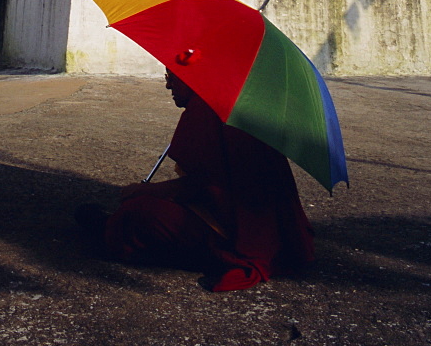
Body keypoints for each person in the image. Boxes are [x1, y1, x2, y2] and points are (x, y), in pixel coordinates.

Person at [76, 72, 314, 291]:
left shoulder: (205, 110)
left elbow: (200, 184)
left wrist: (146, 190)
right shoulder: (231, 103)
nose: (168, 84)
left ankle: (115, 229)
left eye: (172, 77)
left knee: (136, 215)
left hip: (239, 234)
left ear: (194, 78)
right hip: (267, 227)